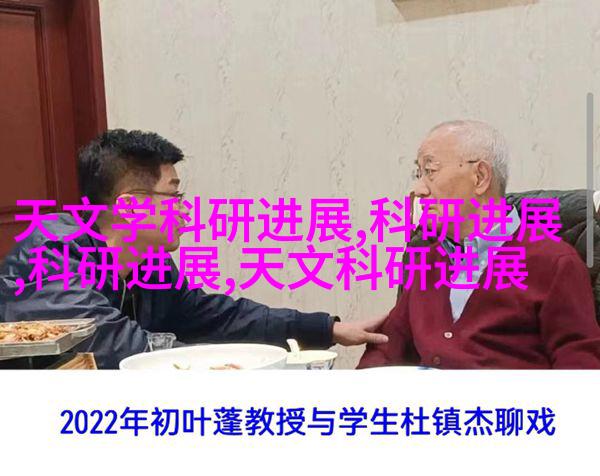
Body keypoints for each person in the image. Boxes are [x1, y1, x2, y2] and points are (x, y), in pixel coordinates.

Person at [0, 129, 387, 368]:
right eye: (174, 196)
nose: (185, 211)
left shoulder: (149, 264)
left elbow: (217, 317)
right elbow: (115, 348)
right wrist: (225, 368)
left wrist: (326, 328)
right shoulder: (49, 255)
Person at [358, 120, 600, 369]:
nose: (418, 190)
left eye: (430, 171)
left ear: (480, 177)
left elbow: (579, 367)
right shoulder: (428, 261)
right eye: (418, 174)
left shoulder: (554, 263)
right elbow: (385, 347)